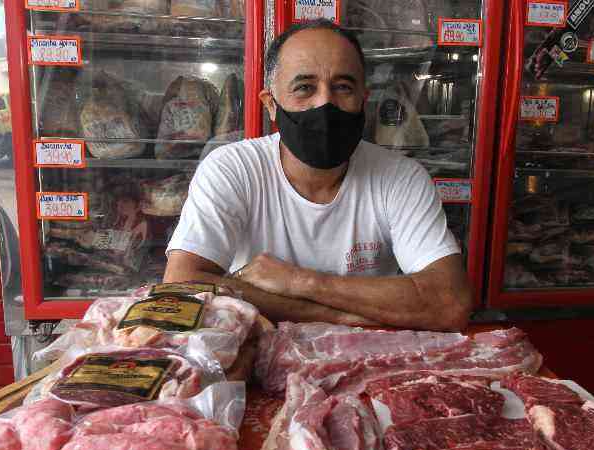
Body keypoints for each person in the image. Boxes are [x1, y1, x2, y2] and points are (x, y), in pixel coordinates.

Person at [164, 19, 472, 331]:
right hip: (259, 355)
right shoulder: (232, 169)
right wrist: (338, 317)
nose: (325, 102)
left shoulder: (402, 177)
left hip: (373, 361)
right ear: (271, 104)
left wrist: (299, 281)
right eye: (304, 88)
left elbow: (449, 303)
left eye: (343, 87)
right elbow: (183, 283)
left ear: (363, 100)